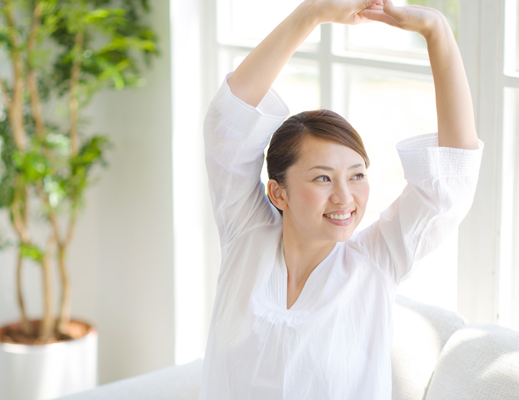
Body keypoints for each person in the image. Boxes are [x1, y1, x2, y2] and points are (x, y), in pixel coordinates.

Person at [201, 0, 484, 399]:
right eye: (322, 177)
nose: (344, 197)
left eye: (357, 175)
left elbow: (450, 181)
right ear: (278, 192)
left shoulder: (376, 262)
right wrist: (311, 13)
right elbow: (227, 124)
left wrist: (437, 31)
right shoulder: (246, 234)